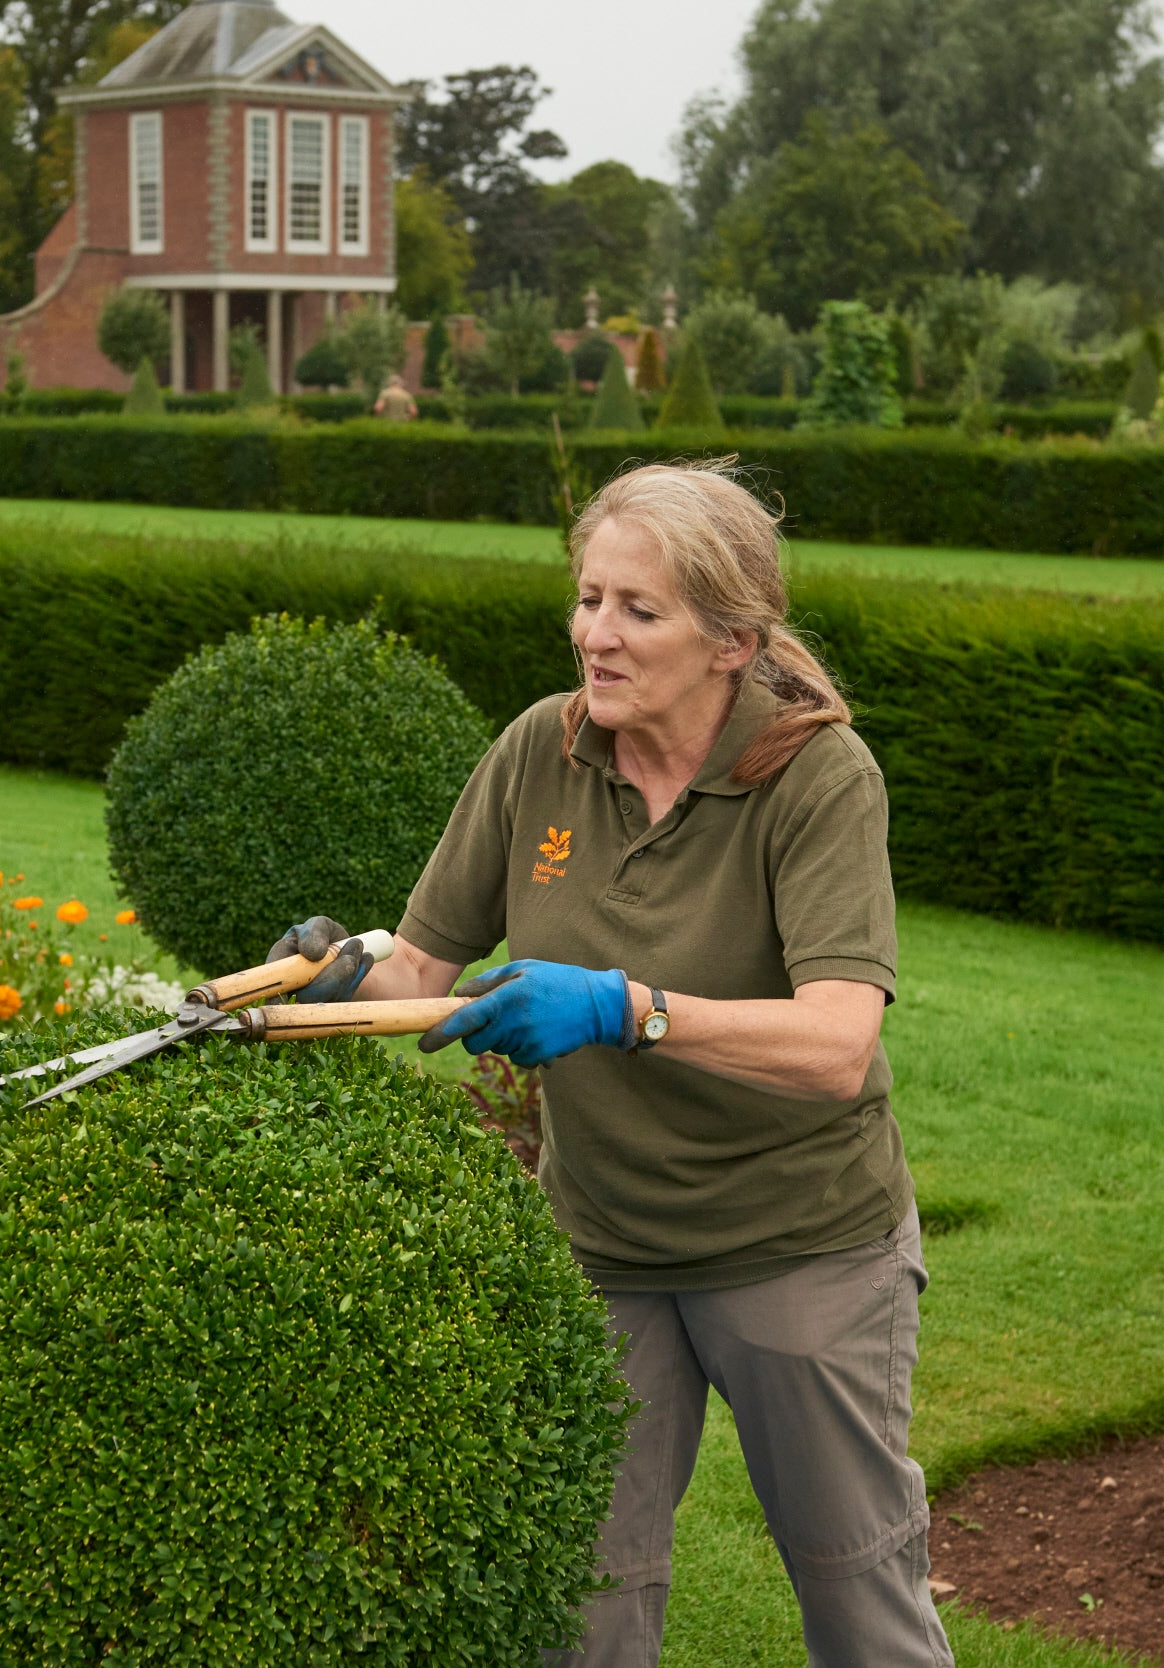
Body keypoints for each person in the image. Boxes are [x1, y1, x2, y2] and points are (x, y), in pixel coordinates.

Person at [269, 462, 950, 1667]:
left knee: (858, 1600)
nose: (596, 633)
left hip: (799, 1250)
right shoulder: (546, 748)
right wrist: (326, 985)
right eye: (589, 598)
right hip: (601, 1250)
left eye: (639, 610)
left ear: (731, 639)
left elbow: (839, 1043)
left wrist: (626, 1009)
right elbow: (420, 975)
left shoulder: (814, 776)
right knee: (579, 1601)